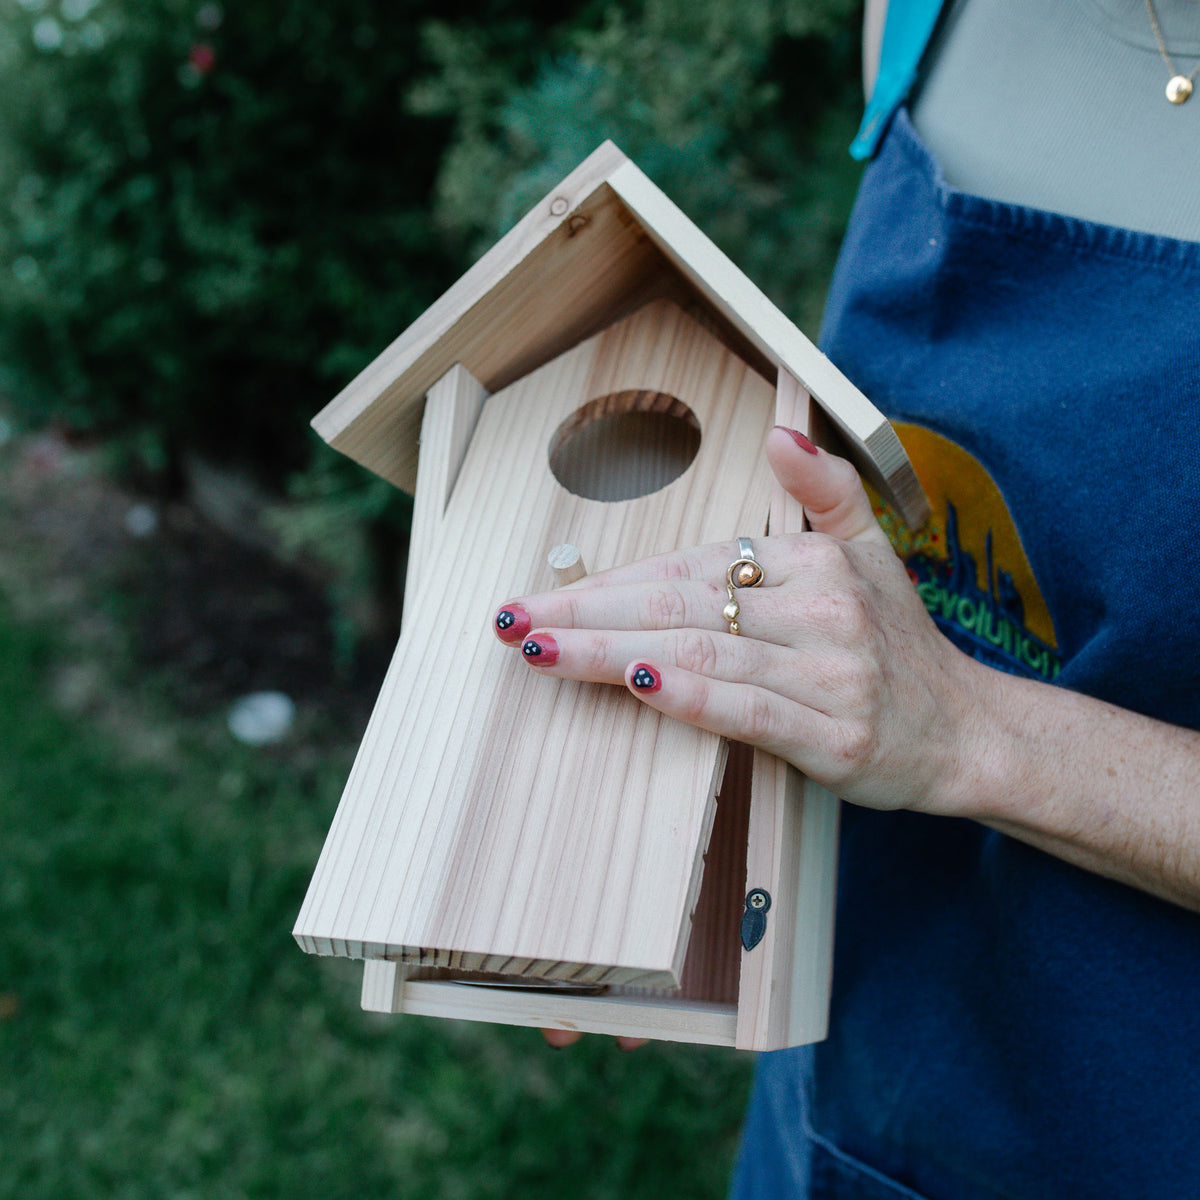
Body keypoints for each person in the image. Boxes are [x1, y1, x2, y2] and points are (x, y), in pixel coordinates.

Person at [494, 0, 1200, 1195]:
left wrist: (965, 727)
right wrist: (691, 803)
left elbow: (924, 701)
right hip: (845, 1106)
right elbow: (867, 524)